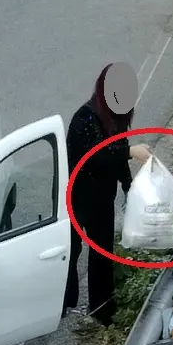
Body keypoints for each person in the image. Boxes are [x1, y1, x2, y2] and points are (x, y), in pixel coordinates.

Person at [65, 63, 151, 330]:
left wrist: (129, 186)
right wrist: (129, 152)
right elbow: (97, 156)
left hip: (102, 198)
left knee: (102, 254)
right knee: (70, 251)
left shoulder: (117, 119)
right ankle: (63, 303)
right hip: (77, 196)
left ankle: (102, 309)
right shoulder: (85, 118)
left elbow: (116, 155)